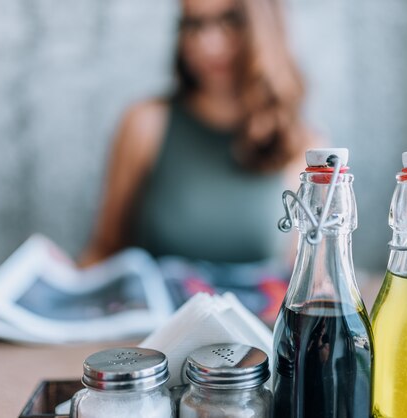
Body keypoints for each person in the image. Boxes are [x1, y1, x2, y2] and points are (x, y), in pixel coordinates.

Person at [81, 0, 312, 315]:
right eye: (194, 25)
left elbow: (301, 278)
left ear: (265, 27)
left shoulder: (303, 146)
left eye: (229, 21)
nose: (208, 44)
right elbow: (105, 249)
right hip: (153, 342)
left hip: (256, 346)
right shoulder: (145, 124)